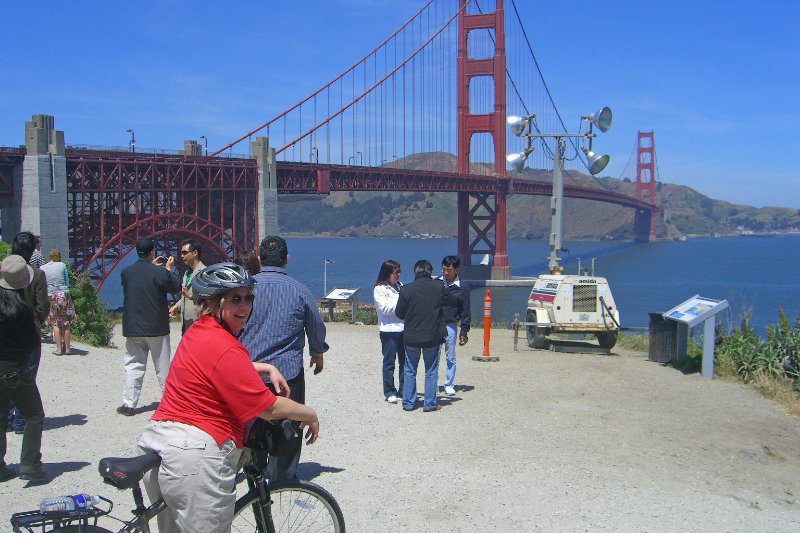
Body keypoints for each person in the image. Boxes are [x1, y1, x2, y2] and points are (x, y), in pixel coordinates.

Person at [138, 262, 319, 533]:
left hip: (160, 442)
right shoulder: (224, 346)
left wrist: (266, 366)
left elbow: (218, 368)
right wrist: (309, 413)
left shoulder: (198, 332)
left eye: (248, 298)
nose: (244, 306)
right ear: (213, 302)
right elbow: (268, 407)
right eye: (235, 299)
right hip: (194, 456)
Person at [239, 235, 328, 481]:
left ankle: (255, 468)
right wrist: (317, 353)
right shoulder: (300, 290)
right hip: (287, 373)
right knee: (289, 423)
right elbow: (316, 325)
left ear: (259, 259)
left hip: (250, 371)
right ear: (287, 259)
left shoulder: (245, 290)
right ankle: (283, 475)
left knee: (253, 422)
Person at [118, 237, 180, 416]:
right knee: (163, 368)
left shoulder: (126, 272)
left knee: (133, 365)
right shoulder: (159, 272)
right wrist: (167, 269)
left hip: (133, 327)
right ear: (152, 251)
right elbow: (175, 286)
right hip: (156, 327)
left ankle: (128, 404)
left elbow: (136, 285)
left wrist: (152, 266)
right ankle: (170, 403)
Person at [0, 255, 47, 482]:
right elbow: (31, 343)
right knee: (34, 414)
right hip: (15, 369)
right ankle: (29, 464)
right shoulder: (22, 310)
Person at [395, 259, 457, 412]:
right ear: (430, 272)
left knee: (410, 370)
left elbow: (399, 313)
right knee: (431, 370)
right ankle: (429, 404)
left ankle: (408, 403)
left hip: (412, 336)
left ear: (415, 272)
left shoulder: (406, 289)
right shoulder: (438, 287)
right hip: (432, 336)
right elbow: (453, 301)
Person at [7, 232, 49, 434]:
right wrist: (35, 324)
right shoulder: (37, 275)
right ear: (33, 250)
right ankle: (21, 421)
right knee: (27, 376)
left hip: (4, 332)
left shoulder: (3, 271)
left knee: (4, 374)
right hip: (29, 333)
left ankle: (6, 418)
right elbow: (42, 306)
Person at [439, 255, 471, 396]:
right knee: (434, 354)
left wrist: (464, 331)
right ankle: (433, 382)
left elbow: (465, 310)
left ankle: (449, 383)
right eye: (444, 269)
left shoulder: (462, 287)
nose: (446, 273)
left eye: (449, 270)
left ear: (457, 270)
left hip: (451, 324)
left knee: (450, 355)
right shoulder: (436, 283)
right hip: (435, 324)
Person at [373, 259, 404, 404]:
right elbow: (384, 309)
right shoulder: (379, 289)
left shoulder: (400, 286)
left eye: (399, 271)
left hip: (404, 328)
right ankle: (389, 391)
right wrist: (402, 304)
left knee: (405, 362)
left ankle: (404, 390)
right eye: (395, 272)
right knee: (389, 362)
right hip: (389, 330)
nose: (398, 275)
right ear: (387, 273)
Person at [40, 249, 76, 355]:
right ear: (58, 257)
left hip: (51, 295)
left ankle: (59, 349)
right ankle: (68, 349)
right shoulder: (62, 265)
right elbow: (67, 281)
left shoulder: (43, 268)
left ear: (49, 257)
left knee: (55, 323)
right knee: (66, 323)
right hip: (63, 294)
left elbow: (42, 283)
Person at [168, 238, 206, 334]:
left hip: (199, 324)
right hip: (186, 325)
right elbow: (186, 295)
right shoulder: (187, 273)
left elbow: (208, 298)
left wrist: (191, 296)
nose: (181, 256)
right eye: (181, 253)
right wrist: (177, 306)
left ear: (195, 253)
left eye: (184, 253)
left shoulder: (204, 273)